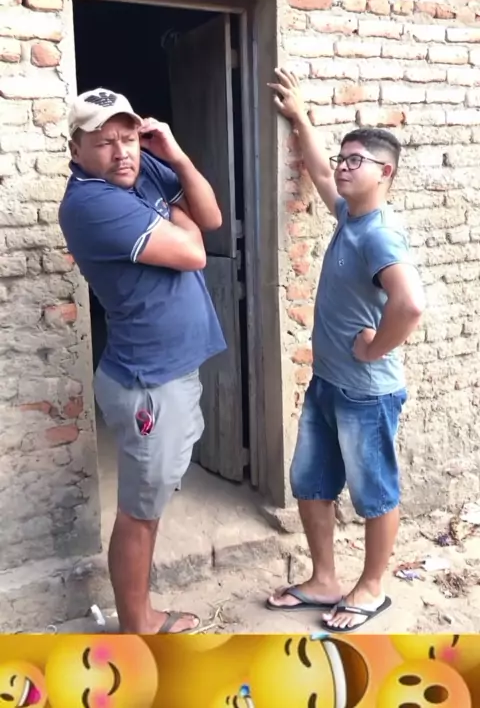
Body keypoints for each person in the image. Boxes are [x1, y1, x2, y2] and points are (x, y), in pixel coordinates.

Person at [59, 88, 226, 634]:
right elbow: (195, 252)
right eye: (104, 142)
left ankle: (141, 618)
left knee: (149, 503)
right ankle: (138, 628)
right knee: (139, 512)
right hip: (147, 382)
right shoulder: (90, 202)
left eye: (128, 138)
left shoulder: (146, 167)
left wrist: (175, 156)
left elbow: (210, 217)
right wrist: (178, 215)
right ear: (76, 149)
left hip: (169, 372)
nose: (122, 152)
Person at [266, 68, 425, 633]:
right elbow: (315, 168)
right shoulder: (348, 217)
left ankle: (373, 588)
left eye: (356, 160)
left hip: (366, 392)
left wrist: (375, 347)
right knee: (311, 482)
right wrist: (300, 116)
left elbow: (410, 303)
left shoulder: (379, 233)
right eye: (343, 157)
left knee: (374, 493)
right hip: (328, 384)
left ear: (386, 172)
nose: (343, 166)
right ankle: (324, 579)